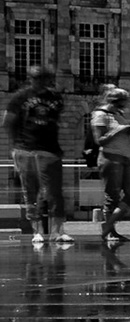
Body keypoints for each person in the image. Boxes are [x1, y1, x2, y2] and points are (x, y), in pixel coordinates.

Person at [5, 65, 71, 246]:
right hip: (25, 149)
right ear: (31, 79)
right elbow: (8, 121)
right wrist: (15, 147)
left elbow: (55, 123)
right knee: (31, 192)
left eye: (44, 78)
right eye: (37, 78)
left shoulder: (56, 98)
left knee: (54, 192)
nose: (41, 82)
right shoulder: (20, 97)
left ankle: (57, 232)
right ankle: (37, 231)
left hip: (49, 150)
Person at [90, 88, 130, 244]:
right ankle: (111, 231)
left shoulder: (119, 115)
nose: (127, 105)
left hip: (126, 157)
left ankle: (108, 225)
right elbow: (100, 140)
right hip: (110, 157)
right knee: (112, 197)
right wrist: (120, 129)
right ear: (116, 101)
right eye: (125, 101)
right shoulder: (100, 115)